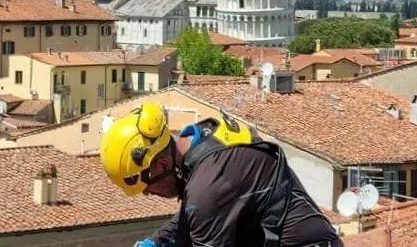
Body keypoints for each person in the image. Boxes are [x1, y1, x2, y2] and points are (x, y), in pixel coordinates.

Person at [99, 102, 343, 247]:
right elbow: (194, 215)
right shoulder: (204, 140)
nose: (149, 194)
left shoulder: (207, 186)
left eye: (147, 187)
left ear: (161, 165)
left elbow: (204, 207)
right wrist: (157, 241)